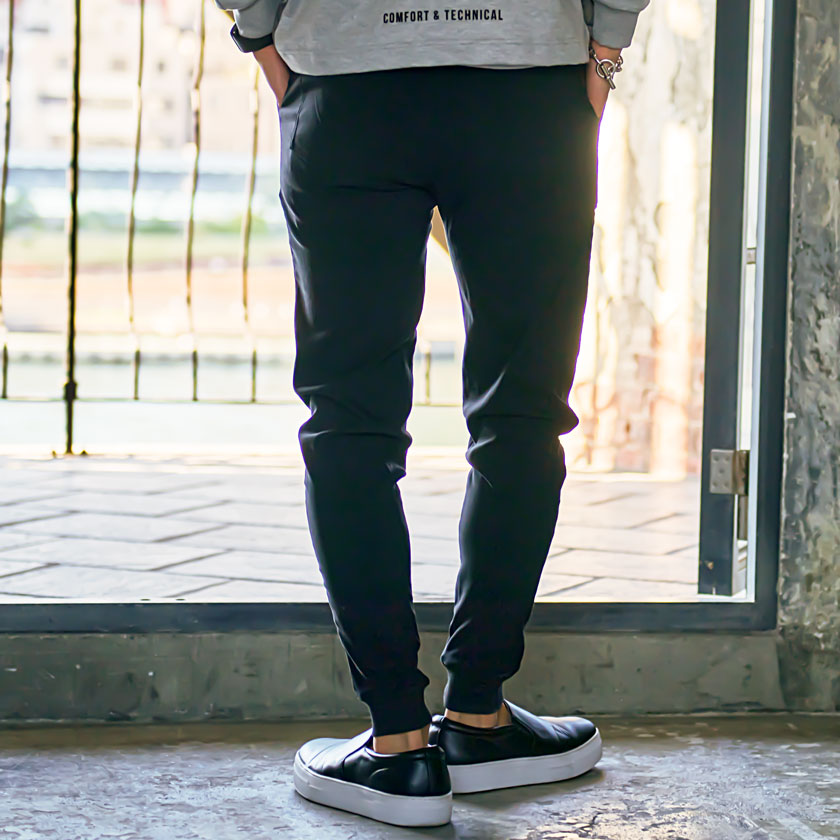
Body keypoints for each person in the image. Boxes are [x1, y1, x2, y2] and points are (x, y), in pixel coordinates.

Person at [216, 0, 649, 827]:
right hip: (527, 91)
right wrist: (604, 55)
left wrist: (264, 39)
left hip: (348, 87)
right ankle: (478, 713)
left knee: (349, 419)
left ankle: (398, 745)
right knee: (522, 412)